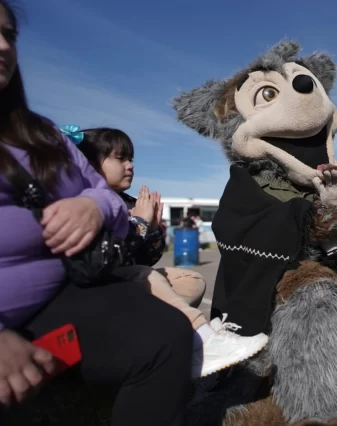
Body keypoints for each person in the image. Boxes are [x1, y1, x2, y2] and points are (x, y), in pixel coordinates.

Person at [0, 2, 193, 422]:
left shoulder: (42, 133)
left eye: (9, 35)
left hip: (62, 296)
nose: (2, 46)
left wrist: (93, 206)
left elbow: (102, 196)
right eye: (120, 157)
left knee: (167, 331)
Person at [73, 126, 268, 377]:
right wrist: (139, 225)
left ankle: (161, 331)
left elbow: (146, 257)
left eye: (131, 159)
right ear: (89, 163)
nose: (130, 166)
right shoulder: (84, 202)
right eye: (120, 158)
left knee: (192, 281)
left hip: (122, 283)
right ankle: (201, 339)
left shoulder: (131, 202)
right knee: (146, 276)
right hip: (95, 286)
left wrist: (152, 231)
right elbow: (104, 262)